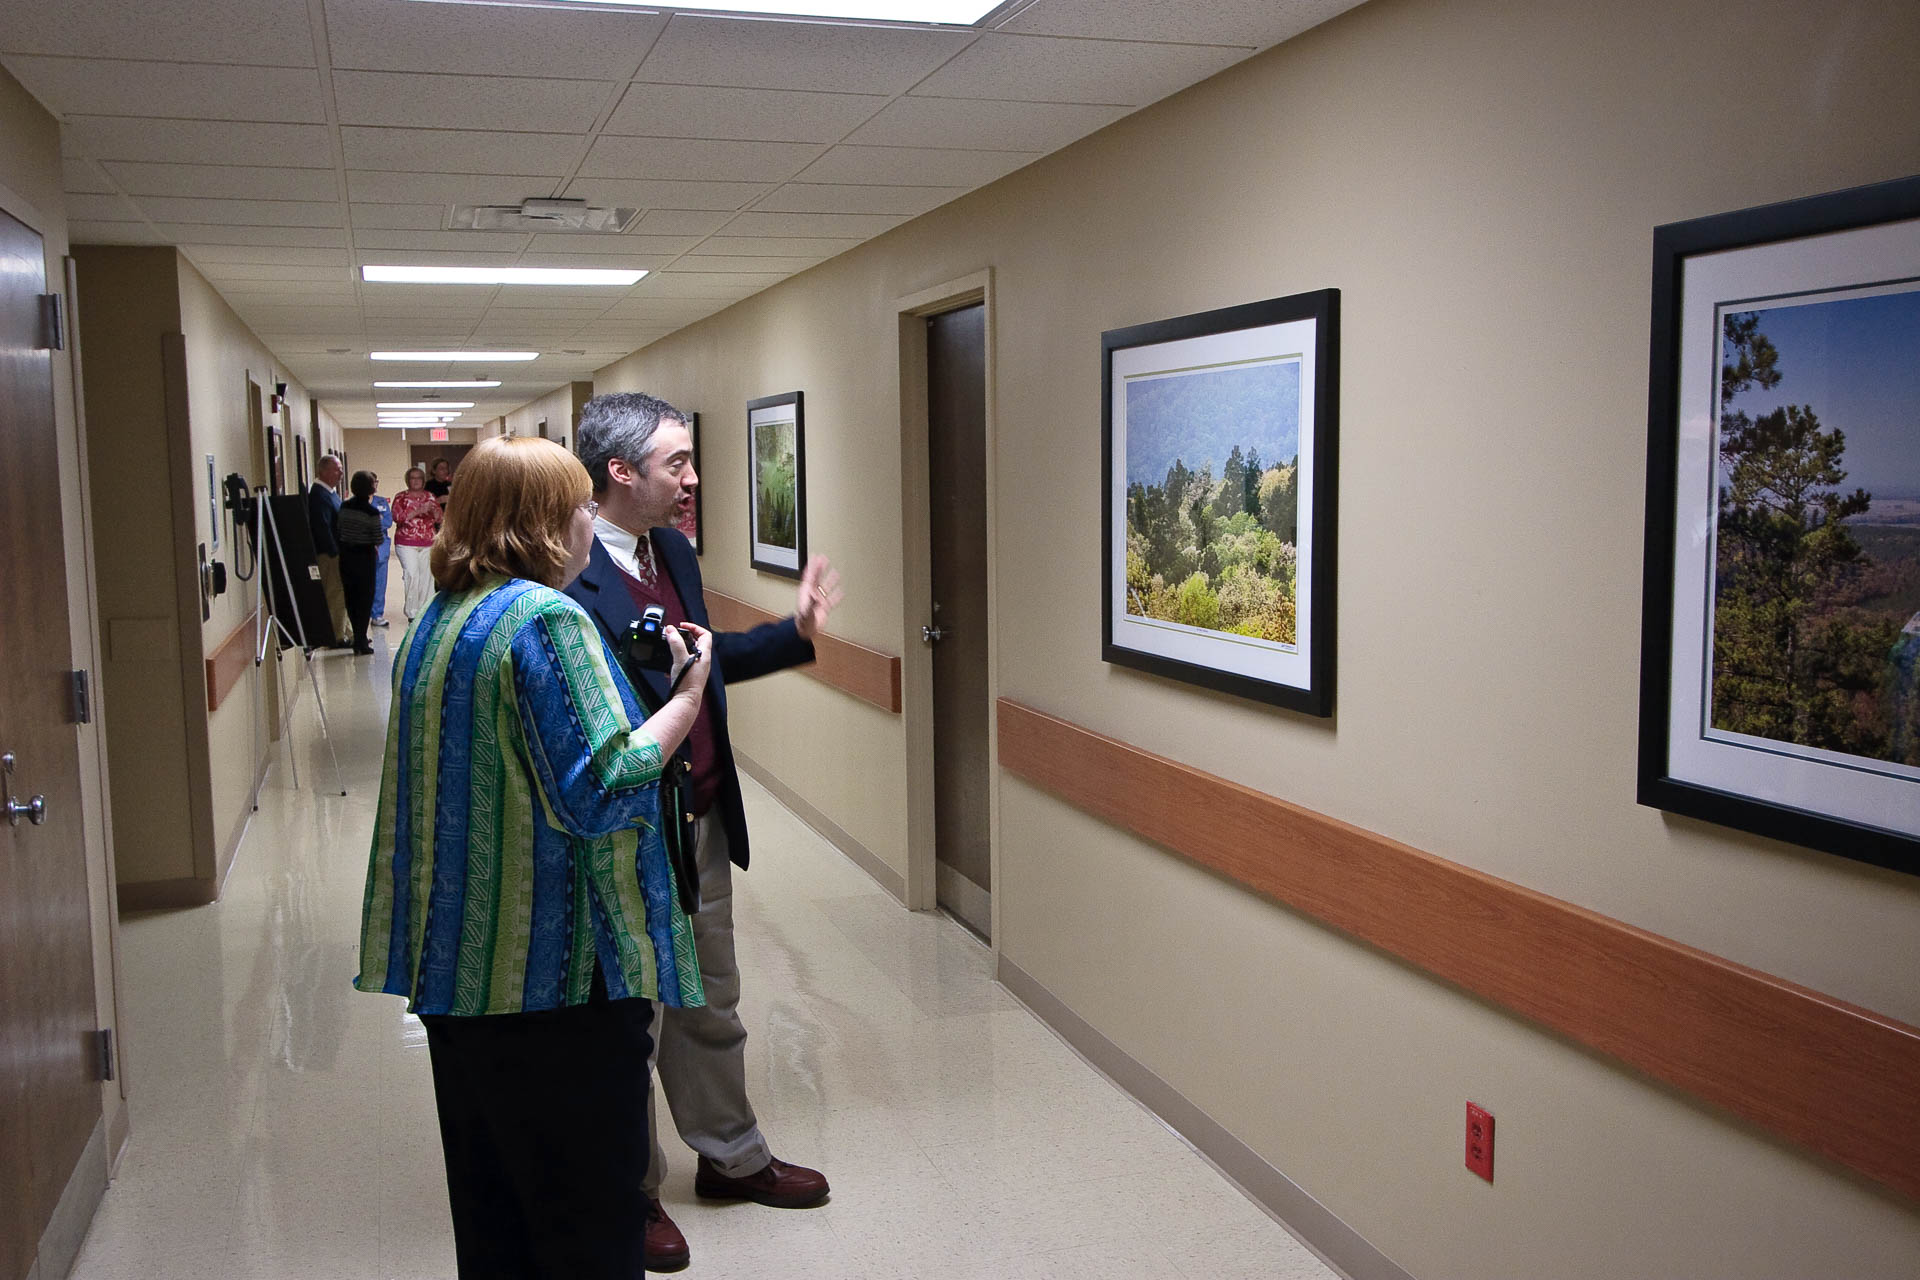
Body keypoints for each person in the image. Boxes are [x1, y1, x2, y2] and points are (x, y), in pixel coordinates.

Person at [354, 435, 712, 1280]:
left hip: (464, 972)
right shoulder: (545, 619)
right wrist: (688, 694)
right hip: (557, 980)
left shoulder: (441, 620)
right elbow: (605, 782)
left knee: (496, 1217)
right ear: (549, 522)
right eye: (584, 506)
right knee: (586, 1222)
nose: (593, 520)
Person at [566, 391, 843, 1272]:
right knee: (627, 1018)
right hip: (621, 836)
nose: (692, 479)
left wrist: (793, 633)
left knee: (710, 999)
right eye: (676, 464)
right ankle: (630, 1193)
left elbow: (699, 659)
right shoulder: (567, 574)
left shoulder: (674, 550)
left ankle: (731, 1156)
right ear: (620, 472)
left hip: (701, 823)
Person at [336, 470, 384, 655]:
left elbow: (339, 530)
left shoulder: (344, 507)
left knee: (351, 597)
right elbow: (377, 538)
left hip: (346, 556)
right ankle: (361, 640)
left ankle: (357, 635)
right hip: (365, 557)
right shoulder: (371, 512)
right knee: (365, 599)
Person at [307, 453, 351, 648]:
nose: (341, 472)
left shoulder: (330, 493)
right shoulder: (318, 495)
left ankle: (345, 631)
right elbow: (322, 527)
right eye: (337, 469)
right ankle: (336, 636)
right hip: (329, 554)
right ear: (323, 471)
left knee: (342, 593)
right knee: (335, 592)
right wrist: (335, 553)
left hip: (337, 552)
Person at [390, 466, 441, 621]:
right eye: (413, 478)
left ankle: (425, 611)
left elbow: (440, 519)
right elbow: (397, 517)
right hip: (406, 542)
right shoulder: (401, 497)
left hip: (428, 541)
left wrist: (433, 511)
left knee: (427, 577)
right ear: (408, 480)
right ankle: (412, 612)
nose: (416, 481)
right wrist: (419, 510)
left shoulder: (430, 496)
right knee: (412, 574)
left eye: (419, 478)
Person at [368, 477, 393, 627]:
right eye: (371, 482)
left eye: (376, 482)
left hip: (381, 545)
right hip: (363, 544)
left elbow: (387, 522)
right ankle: (363, 614)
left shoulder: (382, 502)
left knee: (380, 582)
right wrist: (376, 519)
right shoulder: (354, 503)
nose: (375, 485)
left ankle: (377, 614)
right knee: (364, 582)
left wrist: (373, 521)